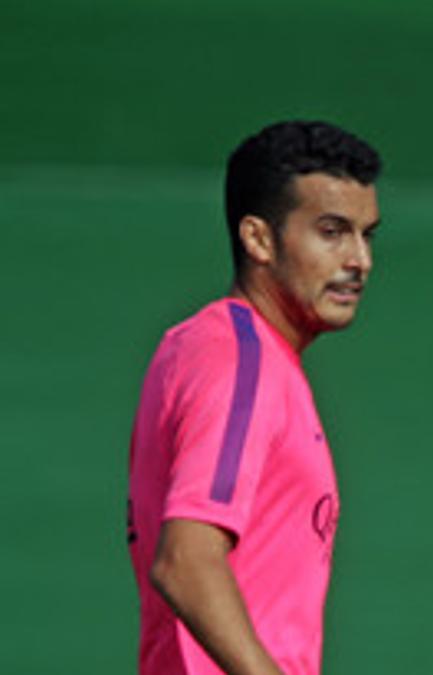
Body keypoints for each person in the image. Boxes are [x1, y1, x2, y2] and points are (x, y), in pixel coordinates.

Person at [127, 120, 382, 674]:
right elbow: (186, 560)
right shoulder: (240, 361)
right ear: (258, 238)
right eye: (333, 231)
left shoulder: (232, 353)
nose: (359, 260)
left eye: (367, 234)